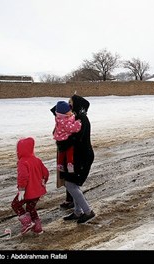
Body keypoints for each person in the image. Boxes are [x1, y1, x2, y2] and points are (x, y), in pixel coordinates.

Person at [60, 94, 95, 223]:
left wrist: (62, 142)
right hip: (80, 156)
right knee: (73, 184)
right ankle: (77, 211)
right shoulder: (78, 117)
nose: (69, 105)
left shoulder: (81, 120)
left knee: (70, 184)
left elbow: (75, 139)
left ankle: (88, 211)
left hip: (82, 157)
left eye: (70, 103)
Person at [11, 137, 49, 234]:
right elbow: (45, 173)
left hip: (27, 192)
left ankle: (27, 223)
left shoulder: (22, 162)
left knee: (15, 205)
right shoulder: (37, 160)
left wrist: (22, 189)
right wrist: (43, 183)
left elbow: (23, 177)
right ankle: (37, 228)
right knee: (31, 208)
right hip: (38, 192)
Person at [53, 101, 82, 175]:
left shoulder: (59, 118)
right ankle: (70, 164)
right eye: (69, 111)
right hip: (66, 139)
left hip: (59, 139)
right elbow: (73, 129)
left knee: (61, 152)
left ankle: (60, 164)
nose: (71, 111)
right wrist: (77, 123)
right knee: (69, 151)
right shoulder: (65, 121)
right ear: (65, 113)